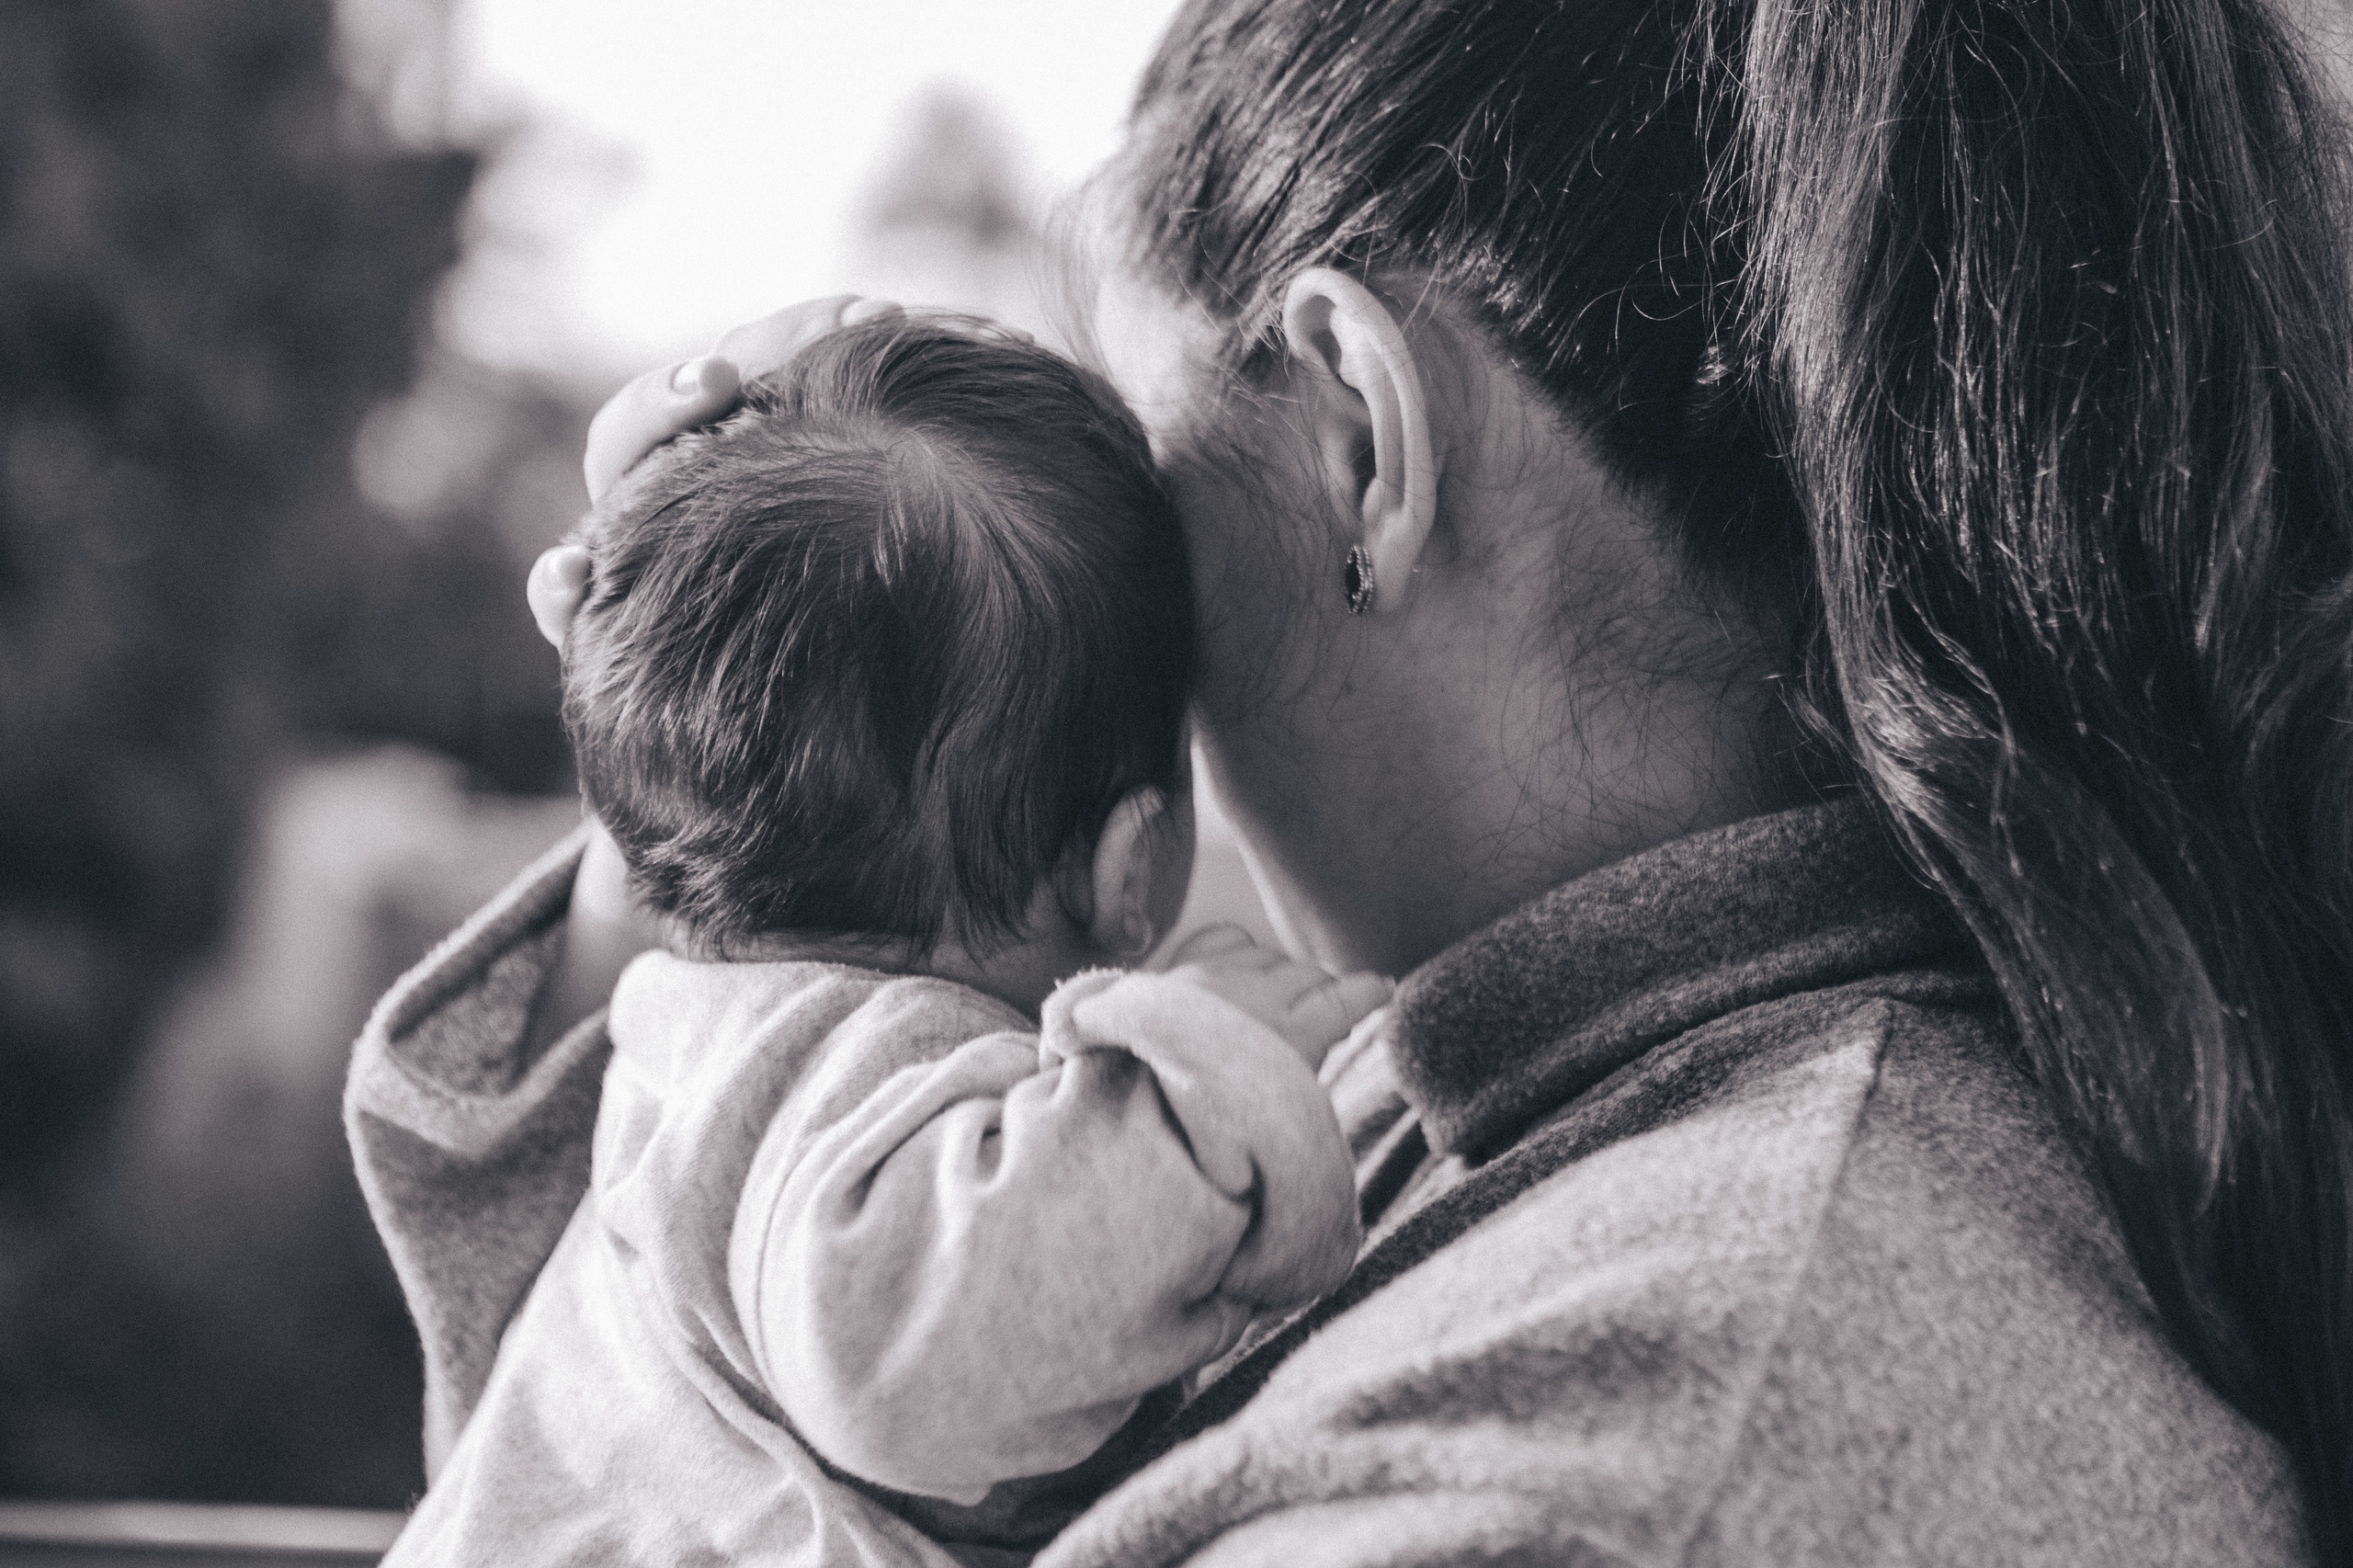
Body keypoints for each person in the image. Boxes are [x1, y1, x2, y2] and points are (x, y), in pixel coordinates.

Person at [349, 0, 2353, 1561]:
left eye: (1140, 492)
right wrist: (719, 779)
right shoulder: (1556, 1075)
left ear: (1362, 443)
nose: (1116, 657)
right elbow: (646, 1443)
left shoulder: (1632, 1452)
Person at [364, 313, 1380, 1564]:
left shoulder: (718, 1038)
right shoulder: (850, 1059)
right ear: (1132, 858)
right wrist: (1202, 1077)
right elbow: (898, 1345)